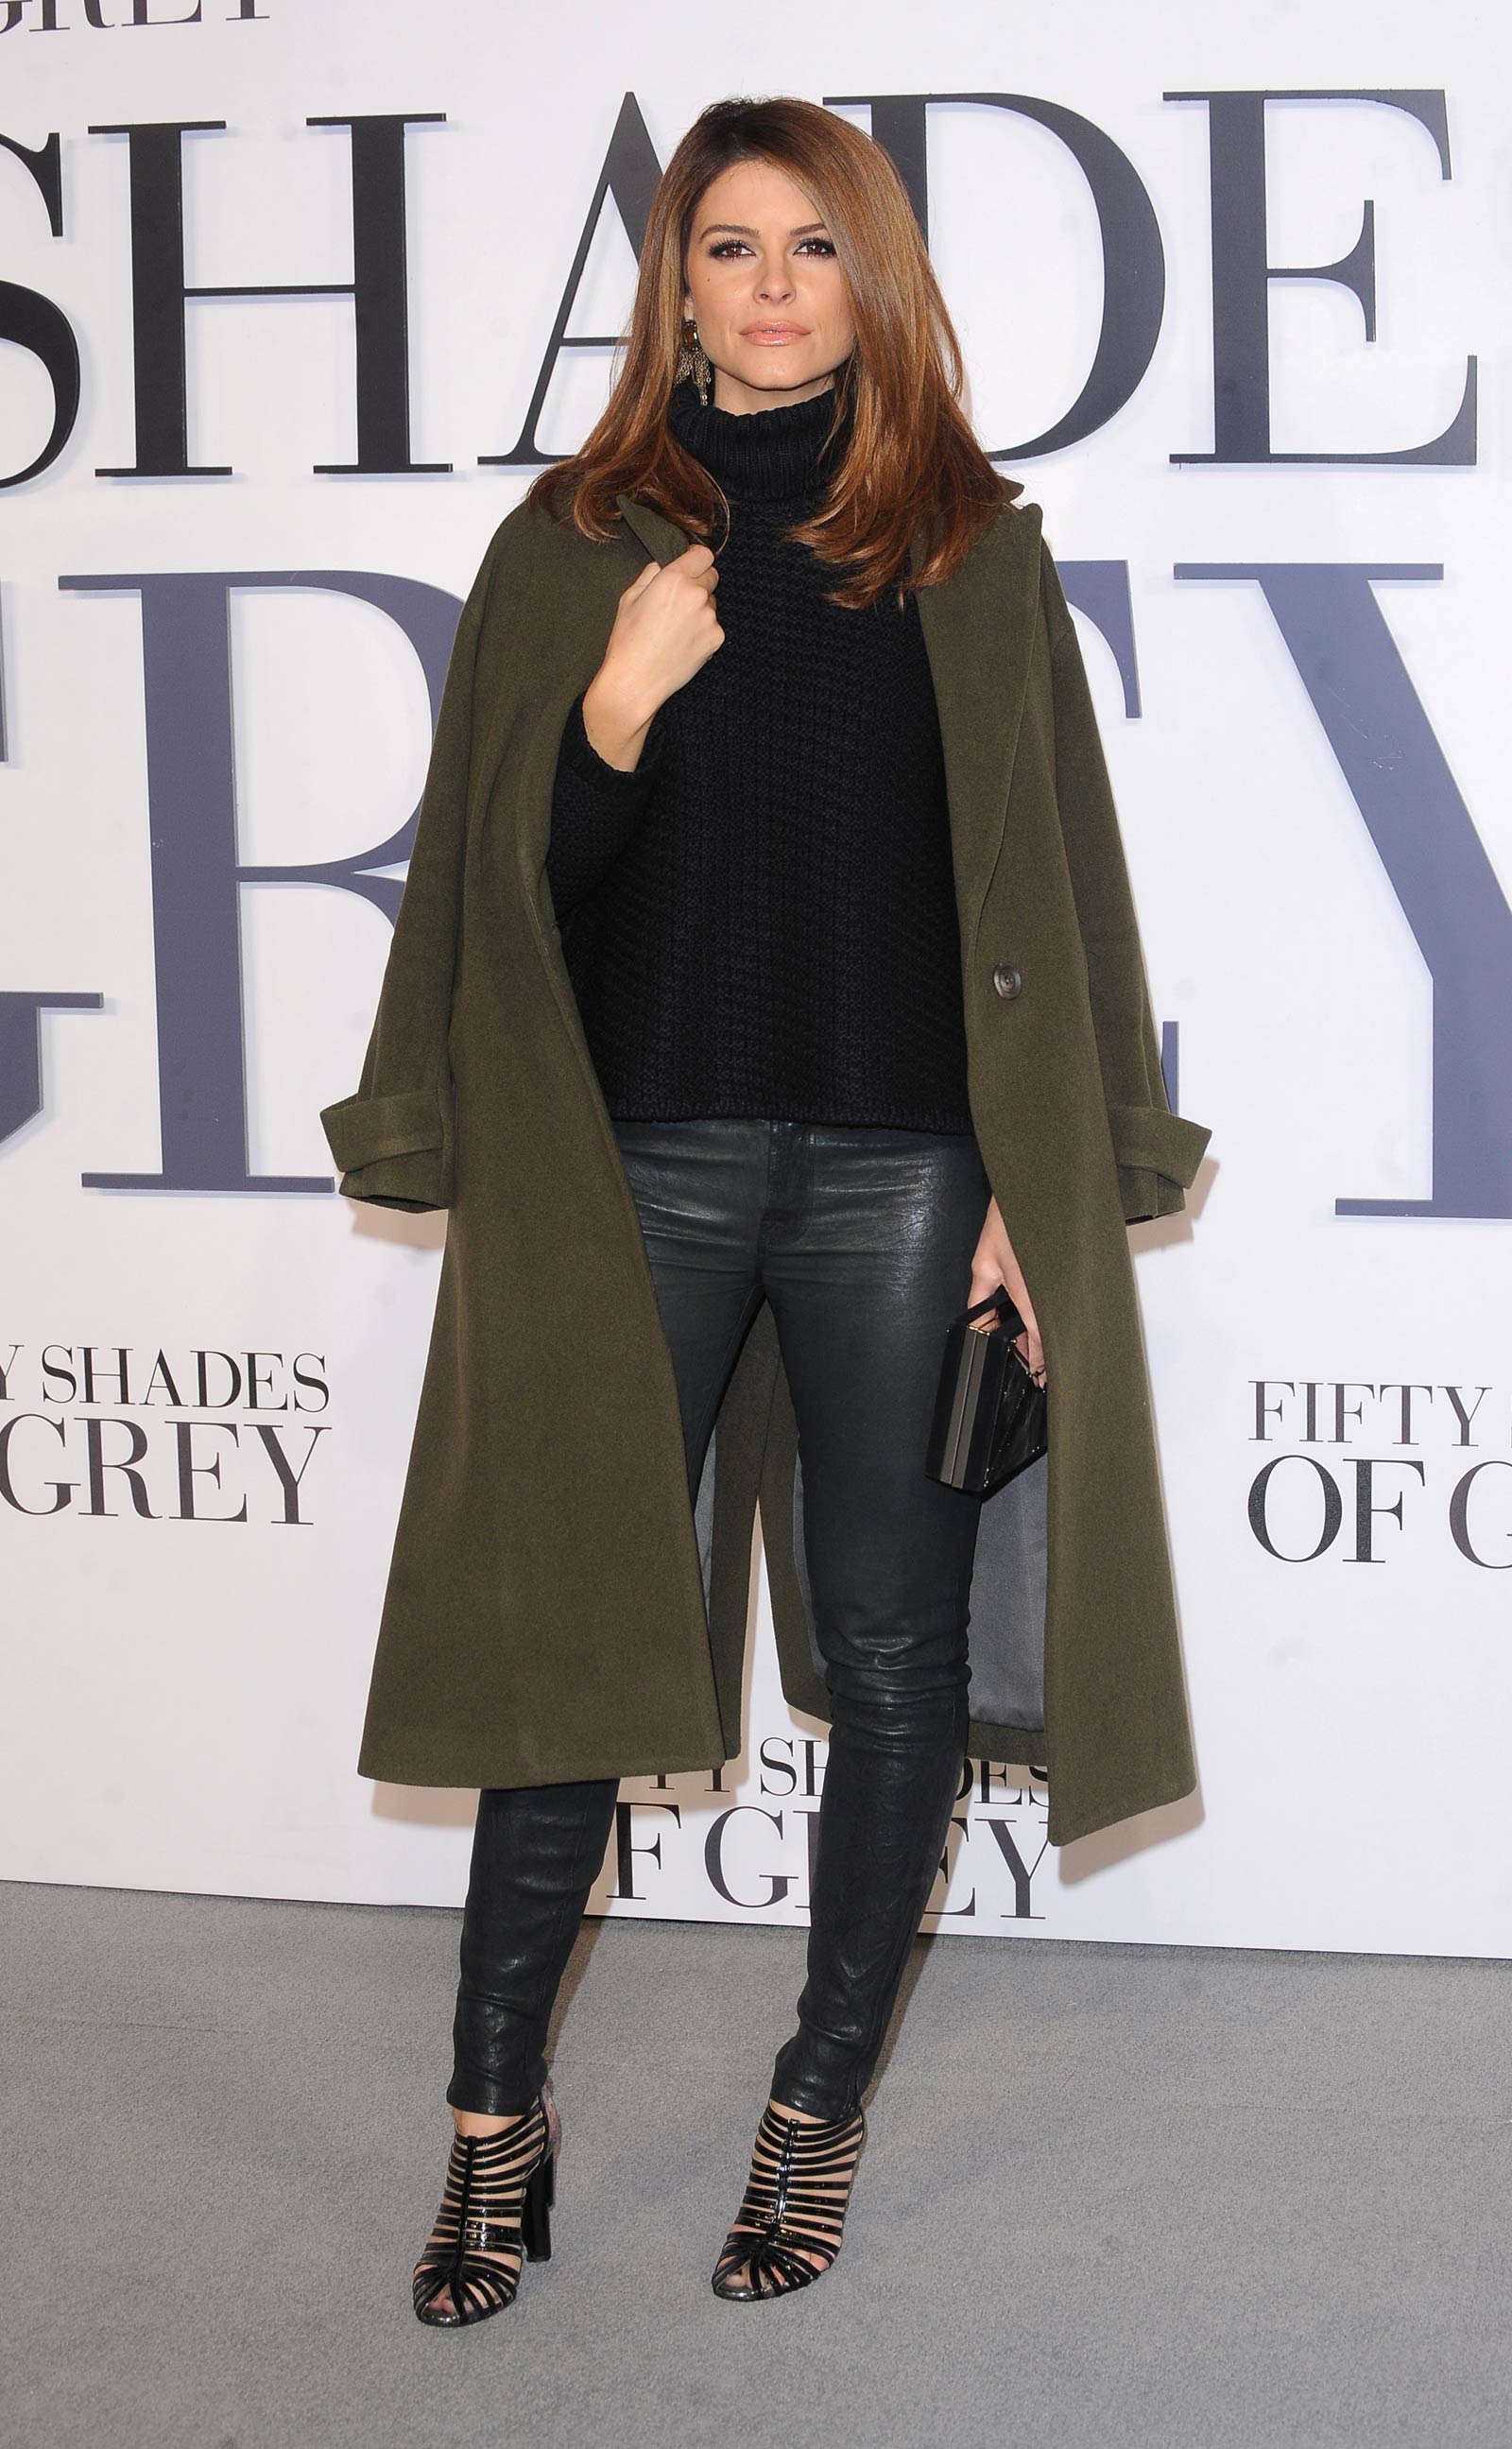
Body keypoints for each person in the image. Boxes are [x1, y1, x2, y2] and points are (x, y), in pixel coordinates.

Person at [320, 93, 1211, 2327]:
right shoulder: (573, 546)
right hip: (635, 1163)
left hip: (904, 1172)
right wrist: (614, 713)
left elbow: (1057, 897)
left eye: (814, 244)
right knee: (570, 1648)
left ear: (870, 276)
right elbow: (502, 909)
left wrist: (1039, 1184)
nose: (774, 284)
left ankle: (813, 2111)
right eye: (730, 245)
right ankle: (490, 2128)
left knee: (893, 1654)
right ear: (677, 287)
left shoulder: (970, 552)